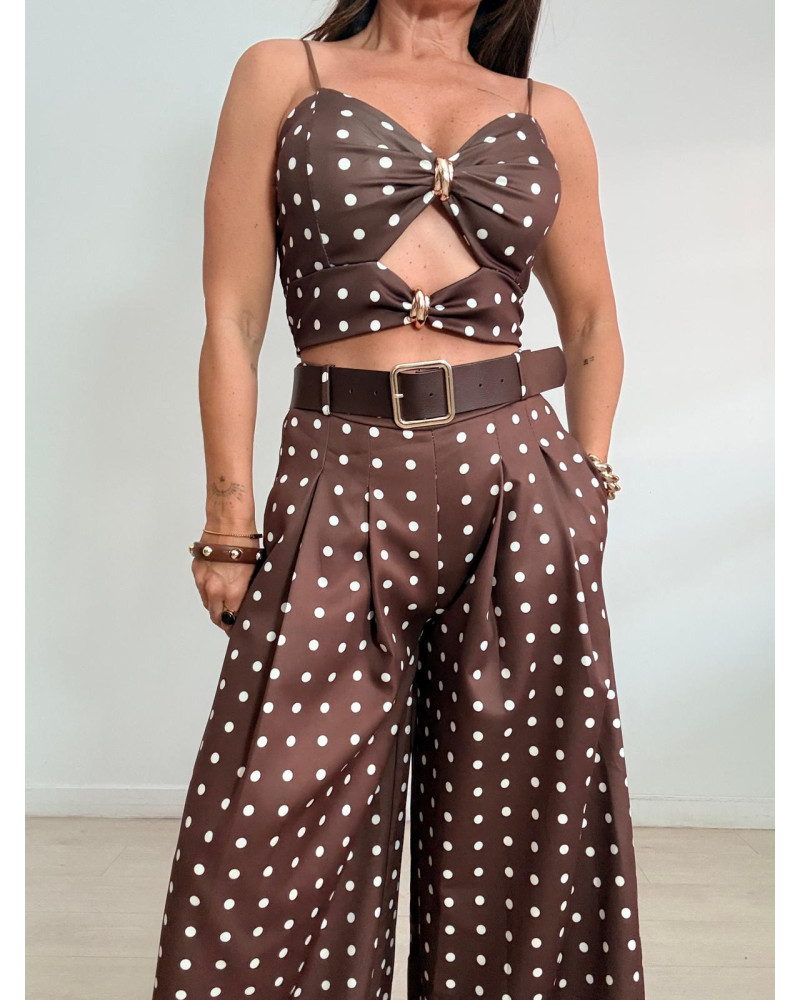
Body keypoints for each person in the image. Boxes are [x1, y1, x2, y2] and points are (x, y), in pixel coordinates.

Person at [152, 2, 643, 998]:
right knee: (266, 821)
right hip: (338, 471)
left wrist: (587, 486)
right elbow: (232, 316)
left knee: (520, 828)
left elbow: (591, 318)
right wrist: (227, 522)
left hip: (518, 484)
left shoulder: (544, 110)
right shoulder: (284, 74)